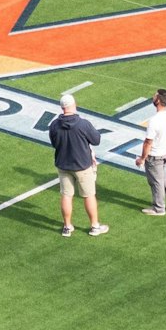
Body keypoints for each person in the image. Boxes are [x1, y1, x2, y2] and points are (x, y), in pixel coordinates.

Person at [49, 93, 108, 237]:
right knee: (89, 195)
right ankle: (94, 226)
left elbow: (54, 143)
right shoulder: (83, 124)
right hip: (82, 165)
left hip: (63, 164)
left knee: (66, 195)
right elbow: (96, 140)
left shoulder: (55, 125)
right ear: (74, 105)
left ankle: (67, 227)